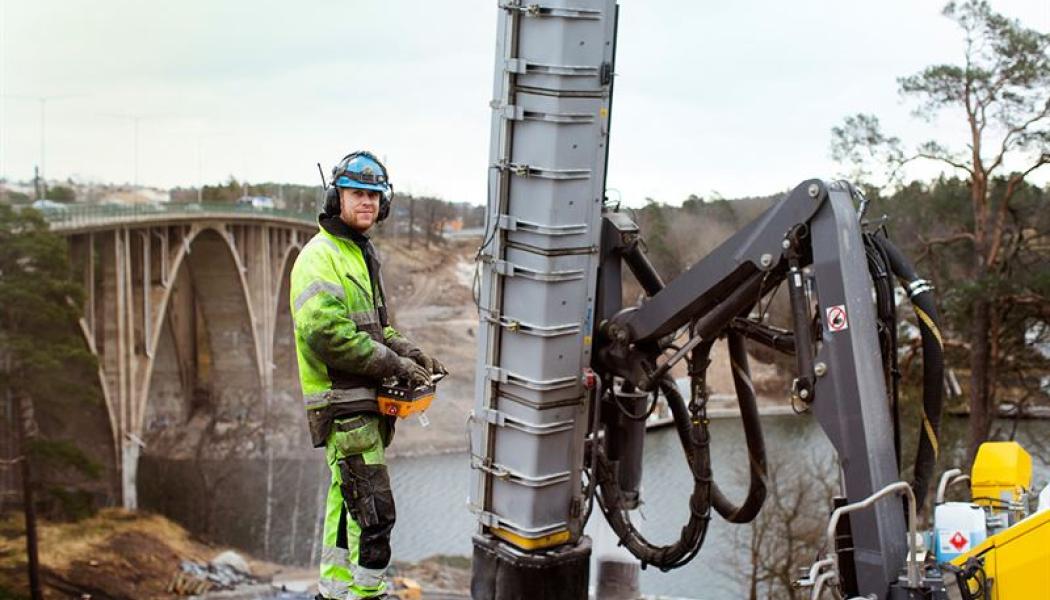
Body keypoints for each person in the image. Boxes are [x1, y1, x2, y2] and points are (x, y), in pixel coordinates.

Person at [289, 151, 446, 599]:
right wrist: (392, 364)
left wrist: (408, 351)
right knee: (374, 511)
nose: (367, 203)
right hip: (342, 404)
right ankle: (366, 594)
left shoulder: (359, 255)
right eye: (358, 194)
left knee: (347, 505)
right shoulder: (320, 258)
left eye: (375, 196)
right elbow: (327, 334)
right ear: (336, 197)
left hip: (362, 402)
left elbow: (377, 326)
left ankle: (335, 592)